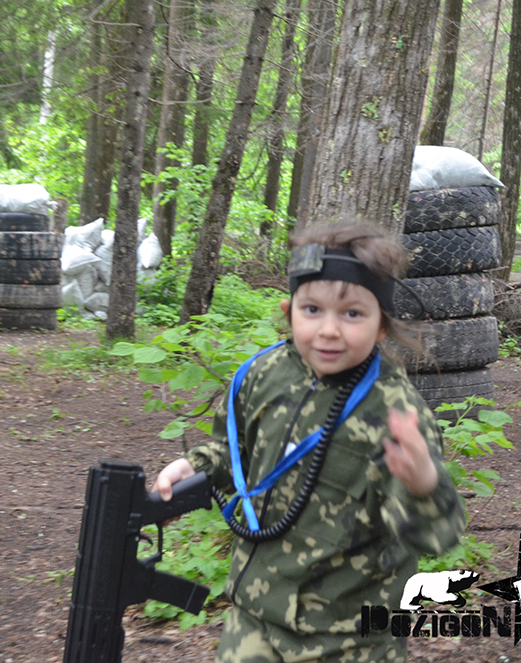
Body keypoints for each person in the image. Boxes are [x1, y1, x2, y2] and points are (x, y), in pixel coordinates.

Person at [155, 223, 466, 663]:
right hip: (254, 616)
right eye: (313, 309)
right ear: (290, 312)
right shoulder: (262, 375)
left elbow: (436, 536)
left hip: (349, 635)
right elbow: (236, 454)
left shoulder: (394, 412)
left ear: (381, 326)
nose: (329, 330)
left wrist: (423, 484)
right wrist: (196, 468)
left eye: (352, 314)